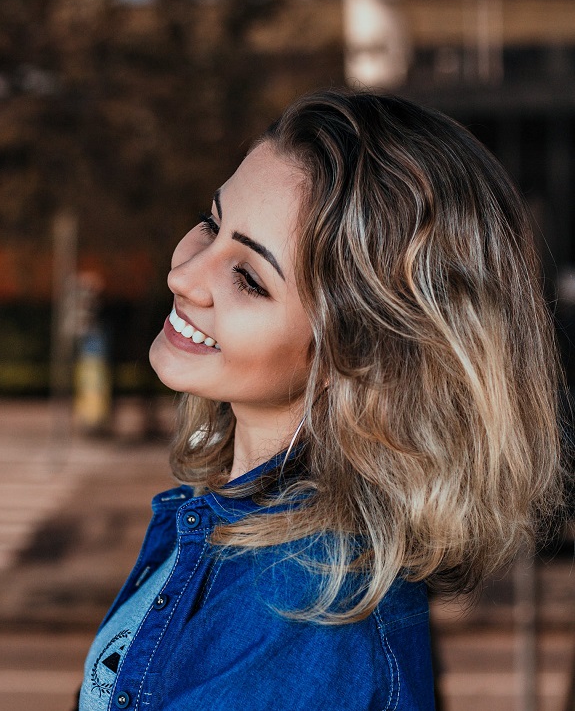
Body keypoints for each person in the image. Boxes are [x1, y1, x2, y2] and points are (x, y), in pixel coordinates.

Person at [77, 90, 563, 710]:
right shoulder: (243, 533)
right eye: (210, 223)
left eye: (249, 277)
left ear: (361, 354)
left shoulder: (300, 607)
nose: (185, 275)